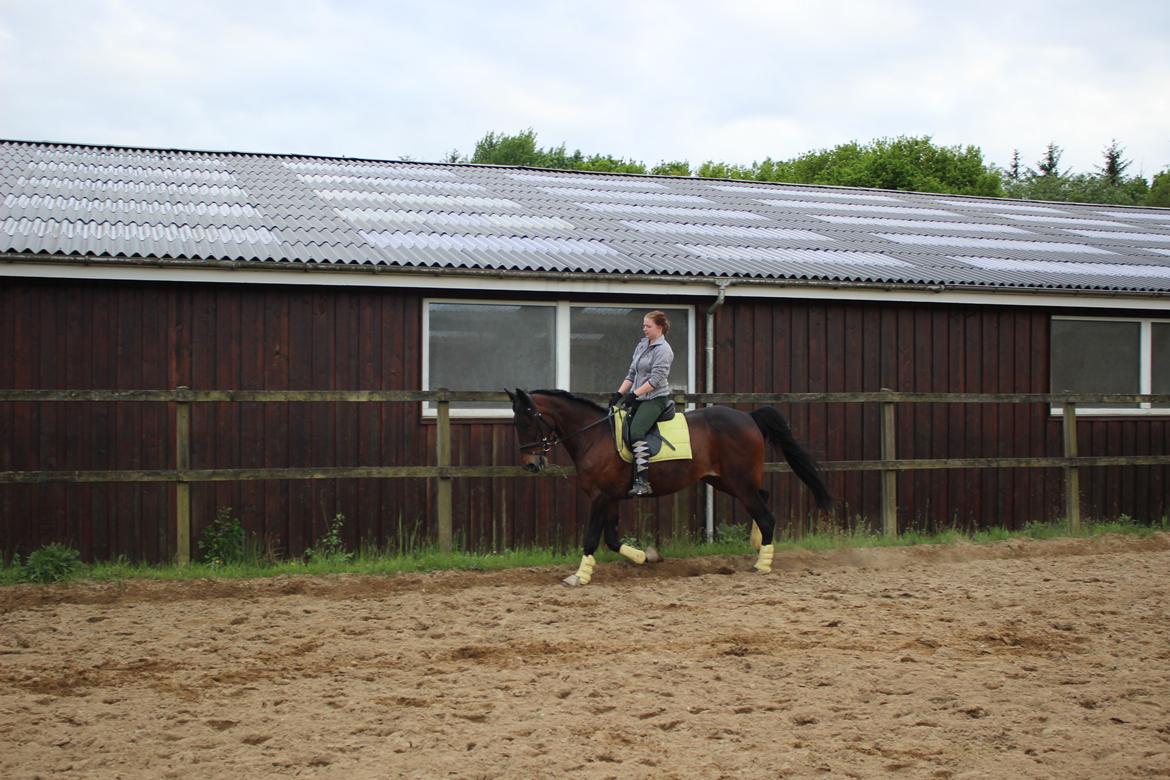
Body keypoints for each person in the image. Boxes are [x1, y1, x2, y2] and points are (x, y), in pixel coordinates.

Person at [610, 310, 674, 496]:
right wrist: (619, 394)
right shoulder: (642, 345)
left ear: (659, 328)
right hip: (638, 396)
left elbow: (655, 381)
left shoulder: (664, 350)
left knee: (636, 431)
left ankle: (643, 481)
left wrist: (633, 395)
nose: (644, 329)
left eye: (648, 326)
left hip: (655, 399)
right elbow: (632, 374)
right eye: (644, 325)